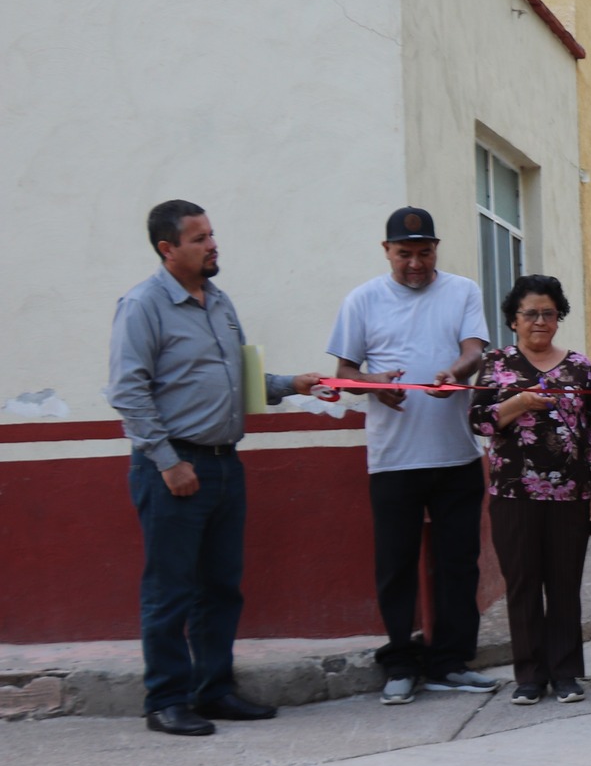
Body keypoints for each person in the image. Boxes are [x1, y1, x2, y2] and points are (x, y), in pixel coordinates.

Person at [106, 199, 332, 736]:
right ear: (168, 249)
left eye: (212, 234)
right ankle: (165, 700)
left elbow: (238, 378)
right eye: (199, 238)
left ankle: (213, 690)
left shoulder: (219, 301)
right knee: (170, 589)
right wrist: (167, 462)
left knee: (221, 586)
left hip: (225, 466)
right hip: (175, 470)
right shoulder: (142, 306)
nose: (212, 245)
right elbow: (127, 391)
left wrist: (289, 386)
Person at [329, 206, 496, 706]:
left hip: (456, 457)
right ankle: (400, 661)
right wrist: (373, 386)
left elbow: (475, 351)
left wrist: (458, 371)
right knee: (396, 566)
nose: (416, 264)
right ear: (387, 252)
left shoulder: (463, 290)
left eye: (425, 253)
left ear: (436, 249)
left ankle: (450, 661)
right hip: (394, 460)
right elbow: (343, 371)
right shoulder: (361, 300)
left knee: (458, 565)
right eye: (405, 255)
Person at [468, 274, 591, 706]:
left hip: (570, 496)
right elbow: (479, 422)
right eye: (530, 313)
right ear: (514, 319)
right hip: (514, 495)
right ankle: (529, 675)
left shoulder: (580, 367)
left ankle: (567, 673)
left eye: (549, 313)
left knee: (565, 584)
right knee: (524, 584)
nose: (540, 321)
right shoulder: (496, 364)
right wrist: (519, 403)